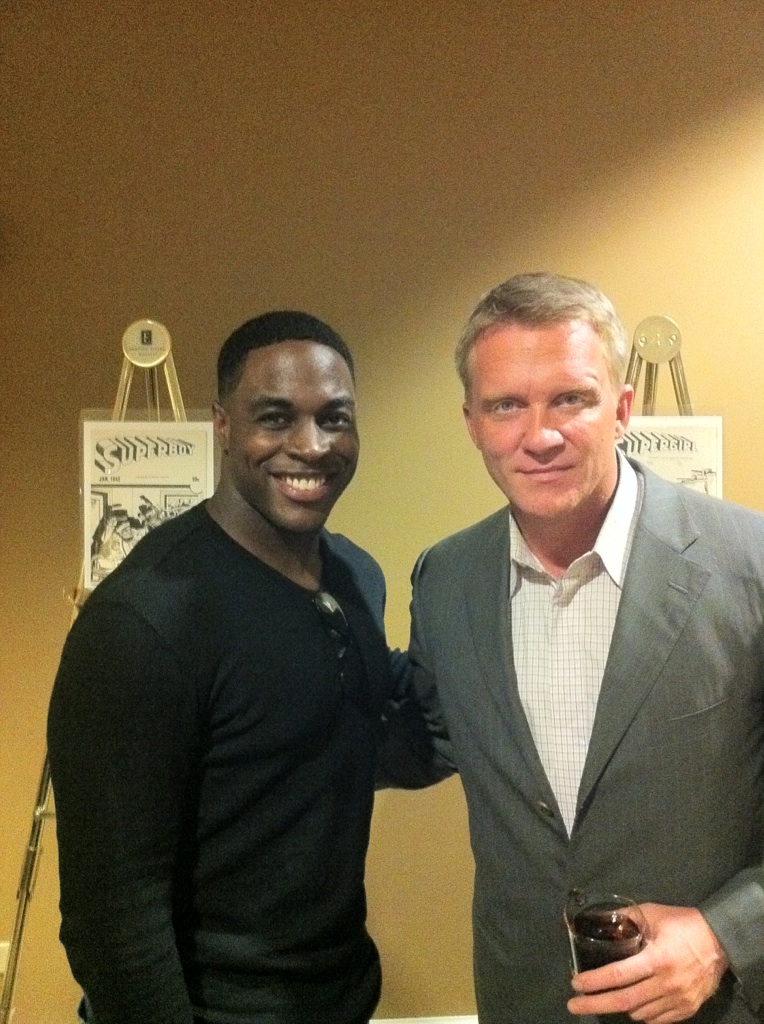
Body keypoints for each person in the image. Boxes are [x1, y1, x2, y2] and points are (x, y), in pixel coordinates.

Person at [407, 272, 764, 1023]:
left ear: (622, 408)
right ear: (472, 422)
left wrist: (725, 935)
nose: (539, 435)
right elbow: (421, 740)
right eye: (507, 405)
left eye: (571, 398)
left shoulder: (750, 562)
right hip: (525, 1002)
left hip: (713, 1008)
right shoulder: (446, 582)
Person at [48, 311, 413, 1024]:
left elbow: (358, 739)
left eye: (334, 419)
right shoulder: (144, 622)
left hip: (340, 996)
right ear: (221, 424)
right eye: (274, 418)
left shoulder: (356, 580)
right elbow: (111, 916)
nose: (310, 446)